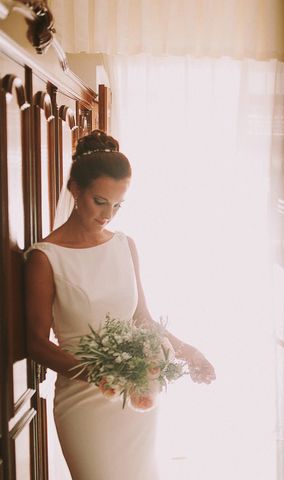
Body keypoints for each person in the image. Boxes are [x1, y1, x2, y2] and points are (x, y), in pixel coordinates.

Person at [24, 130, 216, 479]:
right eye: (100, 201)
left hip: (136, 394)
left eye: (117, 205)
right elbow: (35, 343)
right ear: (74, 190)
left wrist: (190, 352)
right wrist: (97, 374)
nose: (108, 214)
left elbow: (142, 319)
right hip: (83, 403)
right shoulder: (45, 257)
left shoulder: (125, 245)